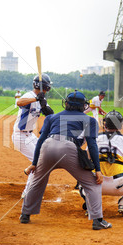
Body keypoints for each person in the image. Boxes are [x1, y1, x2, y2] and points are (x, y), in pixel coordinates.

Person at [20, 91, 112, 230]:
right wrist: (97, 170)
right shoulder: (89, 120)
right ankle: (97, 221)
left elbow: (40, 141)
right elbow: (92, 145)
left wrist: (34, 163)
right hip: (68, 149)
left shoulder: (52, 117)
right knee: (92, 184)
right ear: (83, 106)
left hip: (47, 147)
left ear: (66, 103)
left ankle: (25, 214)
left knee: (37, 180)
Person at [77, 110, 123, 216]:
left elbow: (84, 162)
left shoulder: (95, 139)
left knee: (82, 176)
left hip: (96, 184)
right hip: (120, 186)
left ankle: (91, 203)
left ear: (104, 124)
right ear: (121, 124)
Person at [12, 74, 54, 197]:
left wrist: (43, 104)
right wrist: (36, 99)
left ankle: (29, 172)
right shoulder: (29, 96)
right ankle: (28, 192)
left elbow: (51, 114)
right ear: (44, 87)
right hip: (20, 136)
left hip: (30, 136)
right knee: (39, 163)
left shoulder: (41, 99)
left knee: (44, 157)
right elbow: (19, 102)